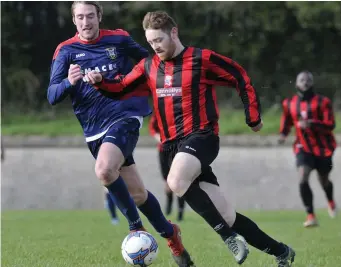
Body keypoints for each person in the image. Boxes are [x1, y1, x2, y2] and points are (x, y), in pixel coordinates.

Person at [85, 10, 296, 267]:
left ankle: (227, 237)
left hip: (202, 137)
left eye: (159, 40)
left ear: (174, 32)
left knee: (175, 180)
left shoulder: (201, 59)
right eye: (150, 43)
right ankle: (281, 251)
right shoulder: (149, 66)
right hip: (172, 147)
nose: (155, 47)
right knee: (227, 214)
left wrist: (252, 117)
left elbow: (239, 76)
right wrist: (99, 82)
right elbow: (120, 88)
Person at [47, 3, 194, 266]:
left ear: (99, 17)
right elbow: (52, 95)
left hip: (125, 117)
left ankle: (136, 228)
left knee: (104, 170)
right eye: (80, 17)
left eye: (90, 16)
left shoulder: (119, 39)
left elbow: (150, 64)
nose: (86, 22)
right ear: (73, 20)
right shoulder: (65, 51)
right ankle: (171, 234)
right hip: (94, 130)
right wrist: (69, 82)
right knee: (137, 194)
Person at [279, 71, 337, 227]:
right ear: (297, 83)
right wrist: (283, 135)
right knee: (303, 177)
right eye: (302, 80)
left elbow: (331, 125)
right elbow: (287, 121)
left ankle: (331, 201)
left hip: (324, 148)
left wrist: (312, 123)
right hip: (303, 147)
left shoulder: (323, 102)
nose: (305, 82)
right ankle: (311, 215)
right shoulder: (289, 103)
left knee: (323, 179)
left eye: (308, 80)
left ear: (312, 83)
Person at [149, 113, 186, 221]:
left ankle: (180, 212)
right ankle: (168, 207)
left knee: (179, 181)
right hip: (163, 151)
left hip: (179, 149)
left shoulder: (181, 110)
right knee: (168, 182)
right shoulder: (159, 112)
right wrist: (159, 138)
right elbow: (152, 128)